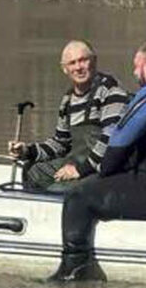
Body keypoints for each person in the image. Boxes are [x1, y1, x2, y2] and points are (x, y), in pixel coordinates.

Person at [49, 38, 146, 281]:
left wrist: (96, 180)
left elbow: (113, 157)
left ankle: (74, 269)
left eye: (136, 67)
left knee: (78, 197)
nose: (134, 74)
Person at [7, 40, 130, 192]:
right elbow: (61, 143)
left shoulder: (110, 91)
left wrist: (79, 170)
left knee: (59, 188)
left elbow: (112, 138)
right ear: (65, 69)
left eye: (83, 60)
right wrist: (27, 151)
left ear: (94, 61)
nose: (78, 67)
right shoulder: (68, 100)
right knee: (32, 170)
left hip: (101, 170)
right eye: (72, 63)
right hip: (77, 163)